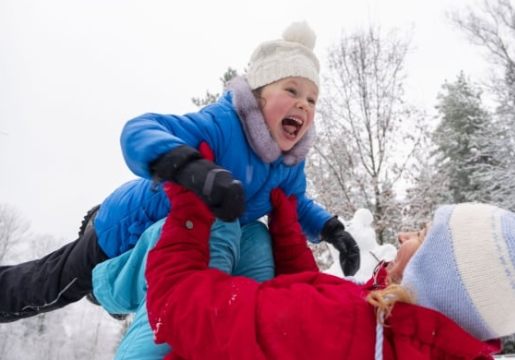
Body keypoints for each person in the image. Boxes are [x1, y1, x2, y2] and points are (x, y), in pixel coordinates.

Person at [0, 20, 360, 323]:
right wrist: (191, 167)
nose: (303, 103)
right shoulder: (222, 125)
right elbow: (139, 130)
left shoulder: (288, 165)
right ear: (259, 96)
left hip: (173, 248)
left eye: (312, 99)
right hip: (124, 229)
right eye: (292, 89)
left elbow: (296, 204)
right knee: (52, 288)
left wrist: (332, 230)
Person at [143, 182, 515, 360]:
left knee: (165, 245)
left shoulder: (342, 324)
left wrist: (189, 206)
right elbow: (300, 323)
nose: (406, 232)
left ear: (436, 274)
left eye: (423, 234)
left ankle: (95, 278)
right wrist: (289, 231)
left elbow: (175, 304)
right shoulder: (390, 334)